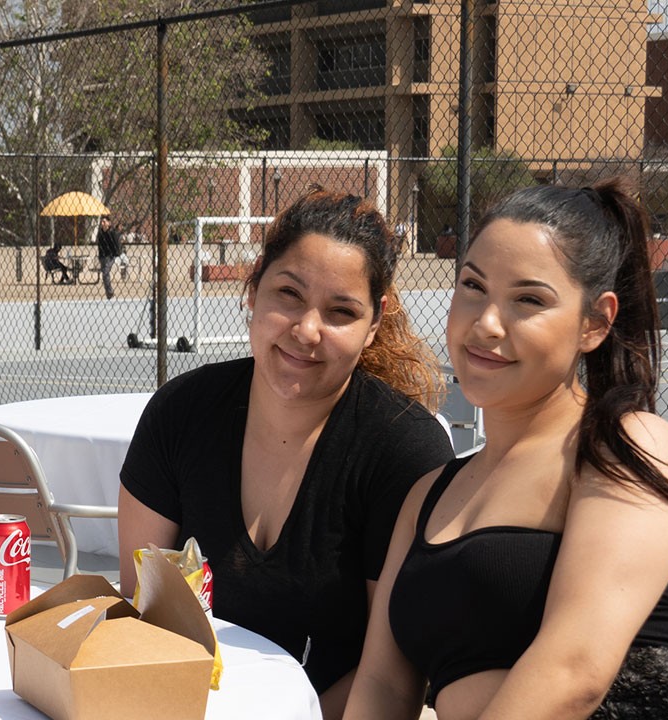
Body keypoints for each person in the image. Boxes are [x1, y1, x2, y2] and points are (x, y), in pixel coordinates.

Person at [345, 183, 668, 720]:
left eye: (528, 300)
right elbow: (383, 687)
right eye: (472, 286)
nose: (486, 323)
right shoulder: (426, 496)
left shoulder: (626, 447)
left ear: (595, 322)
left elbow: (573, 673)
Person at [117, 192, 452, 718]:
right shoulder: (180, 413)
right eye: (288, 295)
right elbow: (143, 611)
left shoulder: (404, 451)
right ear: (254, 289)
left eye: (342, 311)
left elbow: (395, 676)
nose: (306, 330)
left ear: (375, 324)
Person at [97, 216, 123, 299]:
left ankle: (110, 292)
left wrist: (116, 254)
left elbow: (117, 244)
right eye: (102, 222)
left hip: (110, 256)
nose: (102, 224)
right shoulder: (100, 233)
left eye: (104, 222)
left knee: (105, 273)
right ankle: (108, 292)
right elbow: (100, 245)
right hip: (102, 256)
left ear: (109, 223)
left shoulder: (112, 232)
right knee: (105, 275)